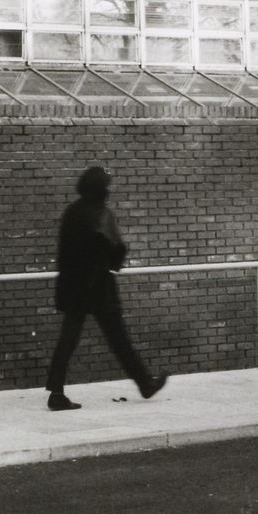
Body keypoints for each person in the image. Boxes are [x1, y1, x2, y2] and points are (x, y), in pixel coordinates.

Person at [45, 166, 168, 412]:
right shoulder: (101, 213)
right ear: (101, 189)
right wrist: (113, 265)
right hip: (98, 286)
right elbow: (116, 247)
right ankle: (145, 383)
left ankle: (56, 393)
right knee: (118, 338)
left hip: (72, 285)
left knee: (67, 339)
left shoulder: (72, 212)